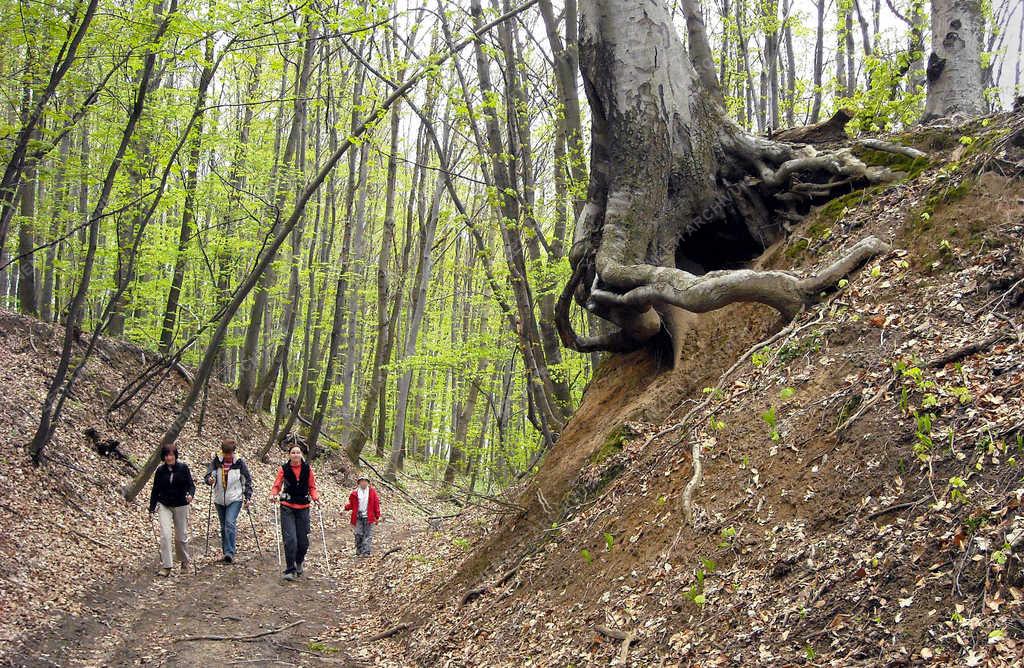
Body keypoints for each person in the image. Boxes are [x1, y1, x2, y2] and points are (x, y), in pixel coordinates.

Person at [269, 444, 320, 581]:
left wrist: (316, 498)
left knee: (303, 542)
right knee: (290, 539)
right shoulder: (284, 469)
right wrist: (274, 494)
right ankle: (290, 569)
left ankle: (299, 561)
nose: (296, 455)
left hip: (303, 507)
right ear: (289, 455)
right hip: (287, 507)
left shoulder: (307, 469)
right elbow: (277, 485)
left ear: (301, 455)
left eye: (298, 452)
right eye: (293, 452)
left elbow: (312, 487)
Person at [203, 439, 253, 564]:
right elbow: (208, 475)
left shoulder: (239, 463)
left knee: (229, 522)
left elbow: (247, 480)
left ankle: (230, 552)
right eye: (226, 453)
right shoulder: (217, 461)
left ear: (234, 452)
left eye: (230, 453)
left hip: (235, 498)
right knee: (223, 526)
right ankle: (226, 552)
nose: (228, 456)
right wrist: (209, 479)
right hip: (219, 499)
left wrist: (248, 497)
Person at [148, 445, 195, 577]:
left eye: (171, 455)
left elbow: (191, 485)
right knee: (165, 535)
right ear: (163, 457)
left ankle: (184, 561)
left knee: (181, 537)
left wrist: (190, 495)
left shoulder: (183, 468)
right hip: (164, 504)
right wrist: (151, 508)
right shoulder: (160, 471)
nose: (169, 457)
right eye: (166, 455)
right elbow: (155, 490)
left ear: (175, 455)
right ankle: (167, 566)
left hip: (181, 504)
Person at [344, 474, 381, 557]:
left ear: (368, 483)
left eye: (365, 481)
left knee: (368, 535)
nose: (364, 483)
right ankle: (359, 550)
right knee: (358, 534)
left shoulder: (372, 492)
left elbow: (376, 504)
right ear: (359, 483)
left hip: (369, 516)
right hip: (358, 516)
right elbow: (352, 504)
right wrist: (345, 508)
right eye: (362, 481)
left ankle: (366, 552)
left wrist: (377, 516)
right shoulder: (354, 493)